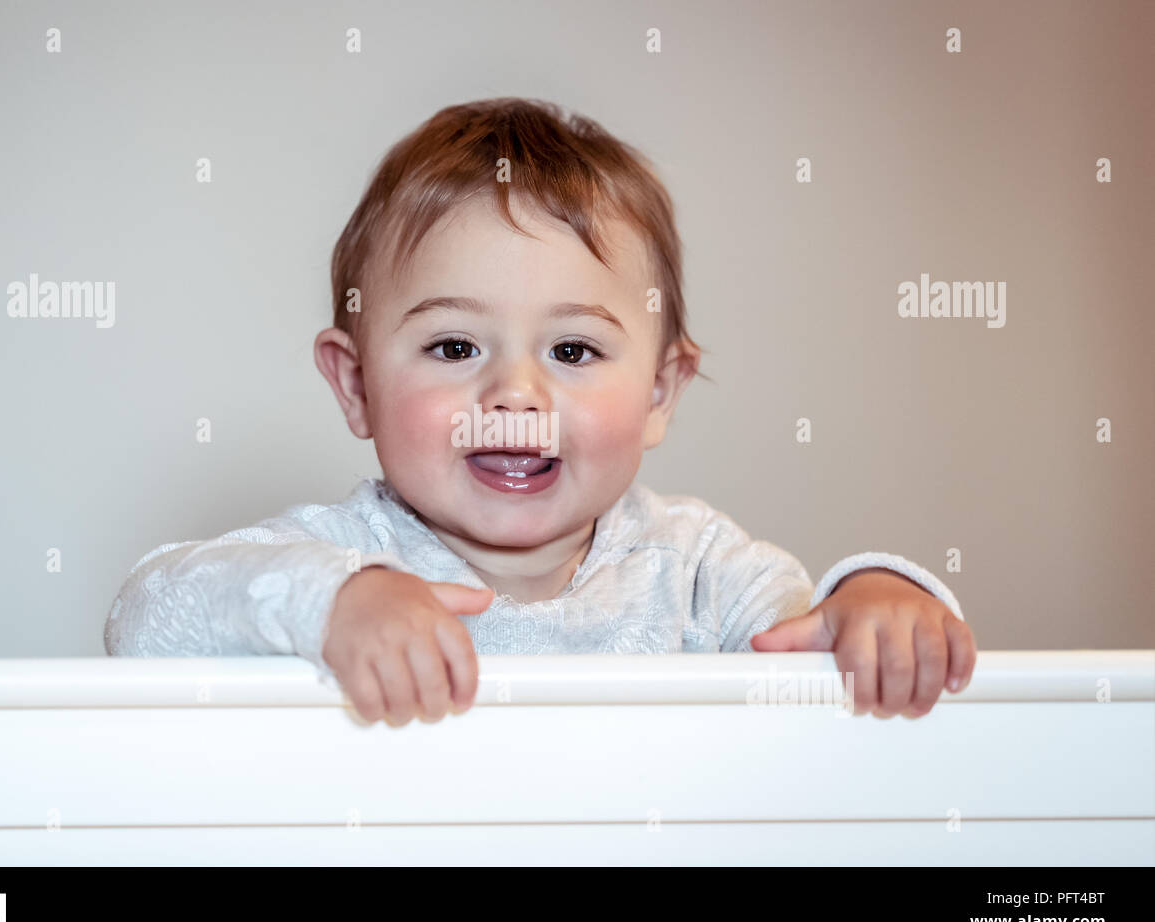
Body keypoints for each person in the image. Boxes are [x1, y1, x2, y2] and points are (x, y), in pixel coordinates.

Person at [104, 97, 976, 726]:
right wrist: (333, 604)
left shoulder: (696, 569)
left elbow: (808, 636)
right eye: (454, 348)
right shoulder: (348, 558)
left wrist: (876, 595)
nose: (516, 395)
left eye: (572, 351)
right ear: (356, 386)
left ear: (661, 392)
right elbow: (144, 619)